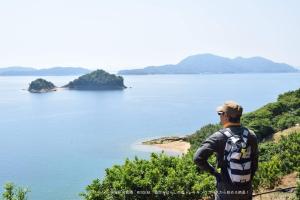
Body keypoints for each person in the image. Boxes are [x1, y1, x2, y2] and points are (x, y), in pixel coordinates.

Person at [193, 101, 258, 200]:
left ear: (226, 116)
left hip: (226, 191)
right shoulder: (251, 135)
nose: (219, 116)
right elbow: (254, 163)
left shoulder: (219, 137)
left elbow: (198, 158)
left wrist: (215, 173)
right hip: (246, 190)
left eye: (220, 113)